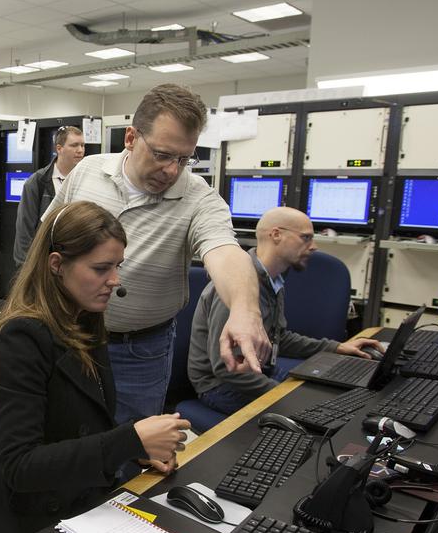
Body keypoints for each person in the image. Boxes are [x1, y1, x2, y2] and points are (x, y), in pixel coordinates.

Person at [0, 201, 193, 533]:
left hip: (76, 491)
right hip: (28, 513)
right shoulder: (21, 337)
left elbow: (83, 424)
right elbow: (20, 466)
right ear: (57, 265)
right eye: (101, 268)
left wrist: (135, 449)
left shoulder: (84, 317)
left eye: (117, 266)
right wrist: (128, 440)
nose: (115, 280)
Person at [46, 84, 272, 425]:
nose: (172, 170)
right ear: (131, 137)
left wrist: (244, 311)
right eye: (163, 154)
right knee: (64, 435)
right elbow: (46, 236)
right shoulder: (88, 170)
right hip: (66, 332)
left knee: (129, 451)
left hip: (137, 351)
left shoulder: (199, 199)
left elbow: (225, 253)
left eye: (184, 159)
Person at [188, 207, 382, 414]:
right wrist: (282, 395)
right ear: (276, 235)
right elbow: (228, 368)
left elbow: (279, 338)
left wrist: (336, 347)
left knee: (334, 392)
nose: (313, 247)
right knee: (318, 415)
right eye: (305, 238)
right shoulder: (236, 286)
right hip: (222, 387)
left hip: (259, 373)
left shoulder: (273, 280)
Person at [13, 125, 87, 265]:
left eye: (83, 145)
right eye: (74, 145)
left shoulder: (87, 179)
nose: (80, 150)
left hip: (76, 259)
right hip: (44, 260)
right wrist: (25, 266)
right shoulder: (37, 182)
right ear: (59, 149)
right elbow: (24, 228)